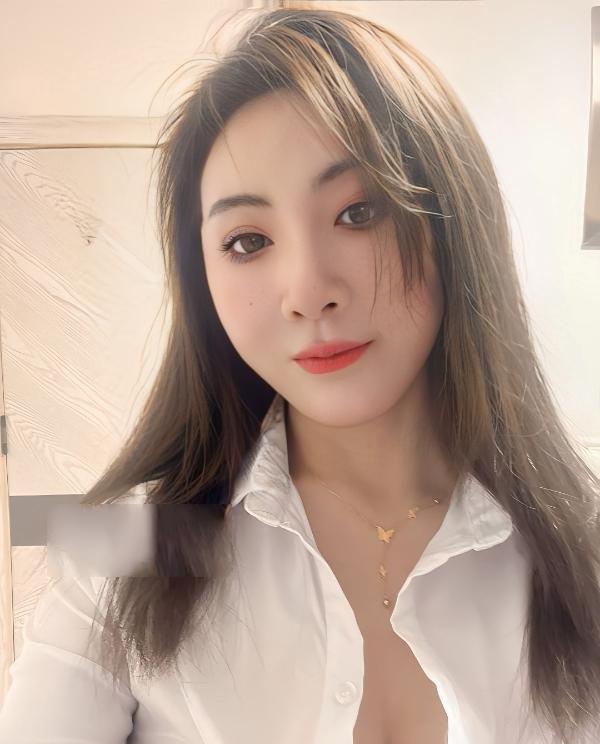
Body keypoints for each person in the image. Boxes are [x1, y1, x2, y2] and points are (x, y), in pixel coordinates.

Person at [1, 5, 600, 744]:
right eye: (247, 241)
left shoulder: (582, 551)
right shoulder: (122, 542)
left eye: (360, 212)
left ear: (454, 224)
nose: (308, 291)